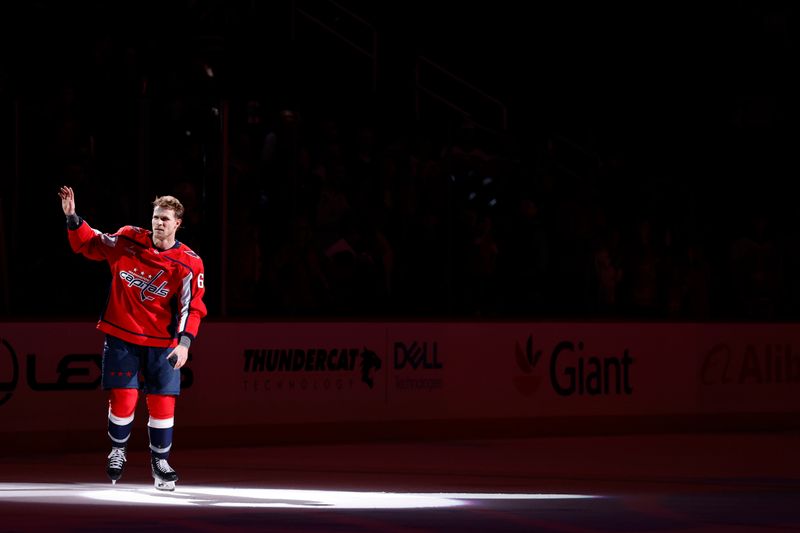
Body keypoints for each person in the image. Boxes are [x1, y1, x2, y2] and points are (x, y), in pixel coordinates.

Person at [58, 185, 207, 491]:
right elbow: (92, 242)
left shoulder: (189, 262)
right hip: (121, 333)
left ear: (178, 223)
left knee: (163, 402)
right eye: (155, 217)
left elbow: (192, 307)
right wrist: (73, 217)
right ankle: (118, 450)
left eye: (165, 219)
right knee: (123, 398)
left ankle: (160, 462)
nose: (159, 223)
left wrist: (184, 343)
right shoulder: (127, 238)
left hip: (163, 343)